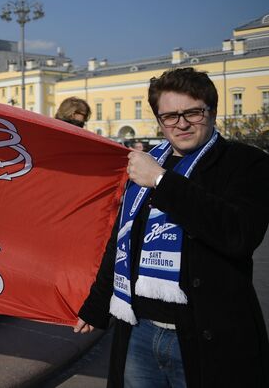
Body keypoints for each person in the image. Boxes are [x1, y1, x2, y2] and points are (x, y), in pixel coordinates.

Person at [74, 67, 269, 387]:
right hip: (140, 329)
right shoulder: (145, 164)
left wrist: (162, 182)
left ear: (212, 111)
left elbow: (239, 234)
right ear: (159, 120)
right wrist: (96, 306)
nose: (181, 123)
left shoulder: (246, 163)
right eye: (170, 116)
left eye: (193, 112)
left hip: (206, 332)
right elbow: (122, 241)